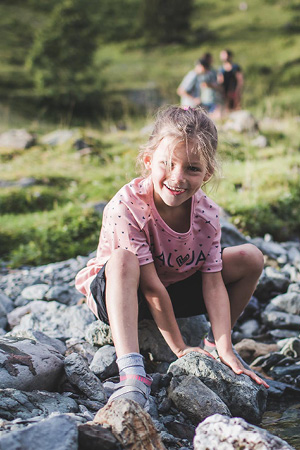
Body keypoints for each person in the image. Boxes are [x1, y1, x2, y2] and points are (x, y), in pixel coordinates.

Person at [75, 106, 268, 408]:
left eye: (192, 168)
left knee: (251, 257)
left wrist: (226, 346)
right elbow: (151, 288)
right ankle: (132, 371)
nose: (177, 178)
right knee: (124, 260)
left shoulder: (208, 214)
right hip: (125, 291)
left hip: (175, 285)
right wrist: (180, 348)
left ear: (207, 173)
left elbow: (213, 283)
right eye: (168, 163)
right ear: (149, 161)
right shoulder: (127, 205)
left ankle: (213, 344)